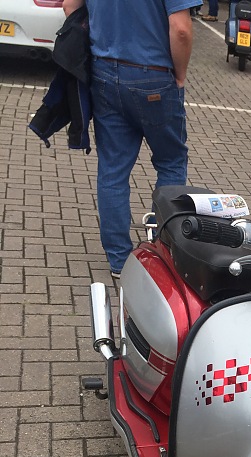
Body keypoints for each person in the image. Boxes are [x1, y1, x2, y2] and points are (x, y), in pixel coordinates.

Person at [62, 0, 195, 279]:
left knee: (112, 169)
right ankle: (162, 251)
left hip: (105, 72)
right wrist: (180, 75)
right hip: (155, 74)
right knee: (171, 162)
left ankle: (119, 261)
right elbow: (181, 29)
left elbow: (70, 5)